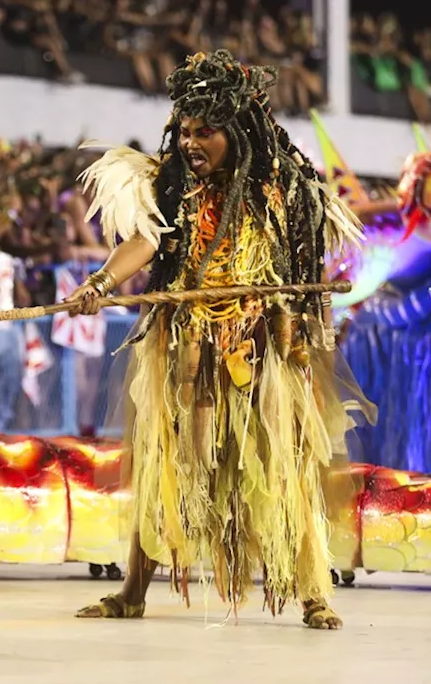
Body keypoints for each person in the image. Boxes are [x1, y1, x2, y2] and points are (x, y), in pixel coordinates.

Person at [66, 50, 373, 629]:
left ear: (237, 130)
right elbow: (146, 240)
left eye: (204, 131)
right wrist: (102, 281)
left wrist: (309, 335)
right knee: (169, 469)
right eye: (183, 130)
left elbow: (310, 274)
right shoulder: (172, 185)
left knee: (284, 470)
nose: (189, 142)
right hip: (184, 347)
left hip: (263, 351)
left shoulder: (286, 191)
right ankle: (132, 592)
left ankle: (314, 595)